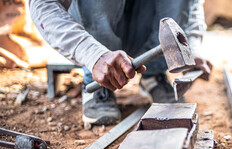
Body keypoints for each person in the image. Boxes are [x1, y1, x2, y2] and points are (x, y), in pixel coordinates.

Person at [29, 0, 212, 126]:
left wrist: (192, 45)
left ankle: (153, 73)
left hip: (139, 27)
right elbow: (43, 4)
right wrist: (92, 53)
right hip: (95, 32)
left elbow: (191, 3)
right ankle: (98, 80)